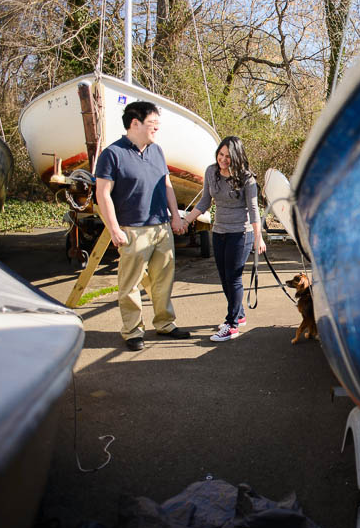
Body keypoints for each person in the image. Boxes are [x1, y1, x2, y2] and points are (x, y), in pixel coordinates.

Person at [95, 101, 191, 351]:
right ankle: (132, 331)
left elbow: (166, 185)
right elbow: (103, 194)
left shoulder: (156, 151)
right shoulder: (112, 154)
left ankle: (165, 324)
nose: (157, 128)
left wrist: (176, 217)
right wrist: (114, 229)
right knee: (131, 285)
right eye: (153, 124)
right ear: (135, 123)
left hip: (161, 228)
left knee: (163, 280)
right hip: (132, 230)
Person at [184, 136, 266, 342]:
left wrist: (259, 238)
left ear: (237, 158)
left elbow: (254, 210)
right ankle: (239, 314)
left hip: (241, 233)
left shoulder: (247, 179)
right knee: (223, 277)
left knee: (234, 277)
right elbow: (204, 201)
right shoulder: (211, 172)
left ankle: (231, 325)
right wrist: (186, 221)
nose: (223, 159)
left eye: (228, 157)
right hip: (219, 231)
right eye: (221, 155)